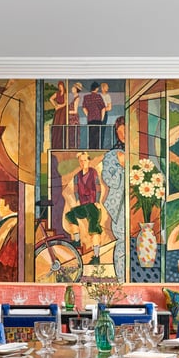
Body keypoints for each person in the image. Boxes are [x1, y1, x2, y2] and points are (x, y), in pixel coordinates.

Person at [65, 151, 102, 265]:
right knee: (70, 215)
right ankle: (77, 240)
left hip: (92, 205)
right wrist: (77, 200)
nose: (82, 163)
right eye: (80, 161)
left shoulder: (93, 172)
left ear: (88, 161)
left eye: (85, 160)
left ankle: (96, 257)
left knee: (94, 229)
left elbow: (98, 187)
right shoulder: (77, 176)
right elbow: (76, 189)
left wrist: (97, 201)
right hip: (82, 205)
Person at [101, 148, 126, 279]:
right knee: (122, 240)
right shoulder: (110, 157)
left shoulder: (134, 153)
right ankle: (121, 277)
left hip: (134, 202)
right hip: (119, 205)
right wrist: (121, 168)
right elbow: (112, 182)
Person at [82, 81, 106, 149]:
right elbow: (103, 108)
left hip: (90, 119)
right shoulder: (98, 97)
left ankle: (91, 149)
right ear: (97, 88)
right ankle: (97, 150)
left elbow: (84, 108)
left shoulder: (86, 97)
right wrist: (102, 119)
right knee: (97, 137)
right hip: (98, 119)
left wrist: (88, 115)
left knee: (91, 136)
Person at [49, 81, 68, 149]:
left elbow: (65, 103)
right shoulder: (57, 93)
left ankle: (61, 145)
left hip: (63, 111)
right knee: (56, 126)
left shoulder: (65, 94)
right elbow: (51, 99)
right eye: (59, 86)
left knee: (61, 126)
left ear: (63, 86)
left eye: (61, 86)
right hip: (58, 111)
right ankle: (55, 144)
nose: (60, 87)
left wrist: (58, 106)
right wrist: (55, 105)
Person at [68, 82, 82, 149]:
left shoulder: (77, 98)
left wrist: (67, 112)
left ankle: (74, 148)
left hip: (73, 120)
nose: (72, 88)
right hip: (71, 119)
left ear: (76, 89)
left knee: (73, 134)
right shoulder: (74, 98)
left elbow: (75, 111)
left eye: (74, 88)